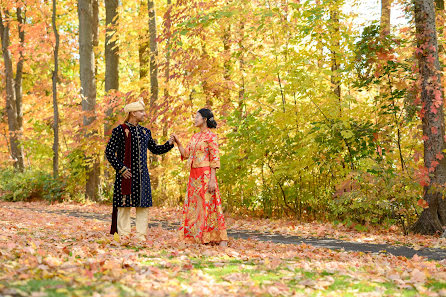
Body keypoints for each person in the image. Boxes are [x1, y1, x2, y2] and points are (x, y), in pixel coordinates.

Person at [105, 100, 175, 242]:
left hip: (142, 177)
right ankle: (124, 235)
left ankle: (140, 236)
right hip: (125, 175)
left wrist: (169, 144)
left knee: (142, 206)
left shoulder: (145, 132)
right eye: (141, 111)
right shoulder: (119, 130)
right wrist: (120, 168)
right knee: (124, 206)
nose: (144, 114)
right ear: (133, 113)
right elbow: (109, 152)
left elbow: (155, 149)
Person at [174, 108, 228, 246]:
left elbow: (215, 158)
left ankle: (218, 237)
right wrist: (178, 142)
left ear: (204, 119)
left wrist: (212, 179)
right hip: (193, 176)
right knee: (193, 207)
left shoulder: (211, 136)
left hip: (205, 175)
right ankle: (196, 235)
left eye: (197, 117)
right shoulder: (194, 137)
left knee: (208, 204)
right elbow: (186, 154)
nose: (195, 119)